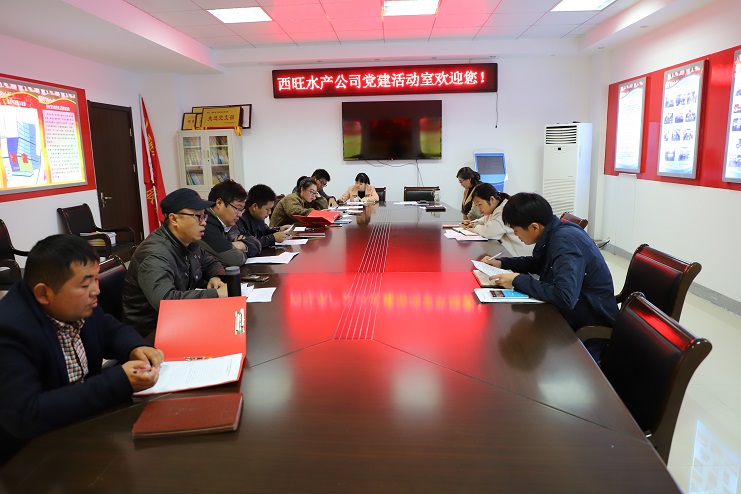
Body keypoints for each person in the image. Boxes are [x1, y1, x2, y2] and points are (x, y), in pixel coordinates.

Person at [0, 234, 163, 463]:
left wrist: (135, 347)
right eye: (86, 284)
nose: (96, 290)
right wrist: (118, 381)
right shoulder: (9, 330)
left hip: (86, 428)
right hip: (34, 456)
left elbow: (108, 328)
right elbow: (26, 414)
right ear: (43, 293)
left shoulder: (77, 304)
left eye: (96, 279)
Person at [484, 192, 618, 330]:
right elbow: (540, 264)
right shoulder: (556, 231)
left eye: (515, 230)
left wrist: (517, 280)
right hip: (577, 308)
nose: (516, 234)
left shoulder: (564, 242)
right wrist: (503, 263)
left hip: (589, 321)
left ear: (534, 227)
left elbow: (565, 297)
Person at [122, 188, 227, 338]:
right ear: (174, 219)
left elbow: (210, 262)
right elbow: (166, 302)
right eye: (198, 216)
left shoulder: (188, 241)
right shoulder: (155, 254)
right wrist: (216, 294)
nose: (204, 222)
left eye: (205, 216)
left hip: (180, 320)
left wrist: (215, 277)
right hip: (152, 334)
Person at [200, 179, 262, 267]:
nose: (240, 214)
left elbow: (256, 242)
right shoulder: (205, 225)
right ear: (219, 203)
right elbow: (235, 259)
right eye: (238, 208)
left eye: (242, 210)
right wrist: (242, 247)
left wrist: (241, 245)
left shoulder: (228, 222)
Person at [463, 183, 532, 256]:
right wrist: (473, 223)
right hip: (507, 253)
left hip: (518, 256)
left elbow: (489, 232)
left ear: (492, 199)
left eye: (480, 204)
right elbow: (484, 220)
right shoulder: (495, 209)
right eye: (476, 205)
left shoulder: (504, 211)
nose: (479, 209)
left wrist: (474, 228)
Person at [237, 183, 292, 249]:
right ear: (255, 206)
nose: (270, 212)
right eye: (267, 209)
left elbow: (265, 231)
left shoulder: (258, 216)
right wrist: (273, 238)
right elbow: (250, 243)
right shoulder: (239, 218)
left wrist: (279, 229)